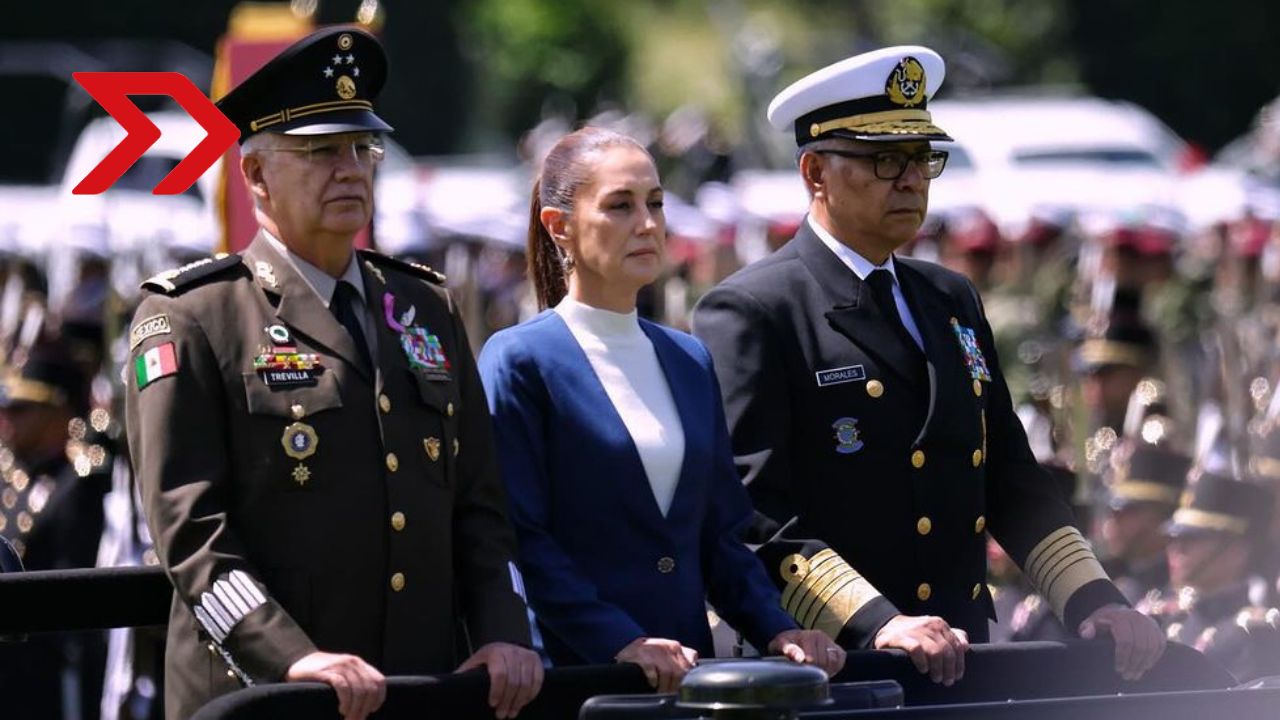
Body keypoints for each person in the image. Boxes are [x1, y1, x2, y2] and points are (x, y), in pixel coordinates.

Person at [691, 45, 1165, 686]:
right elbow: (754, 512)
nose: (912, 181)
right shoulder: (753, 308)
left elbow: (1009, 476)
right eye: (885, 160)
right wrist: (877, 622)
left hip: (964, 656)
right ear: (814, 173)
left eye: (922, 160)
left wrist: (1094, 600)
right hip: (833, 665)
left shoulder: (949, 297)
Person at [124, 27, 540, 720]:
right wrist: (288, 655)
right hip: (266, 696)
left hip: (418, 690)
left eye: (361, 148)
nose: (350, 169)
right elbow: (192, 535)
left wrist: (501, 632)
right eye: (319, 152)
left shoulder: (422, 305)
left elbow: (477, 507)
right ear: (255, 175)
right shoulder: (195, 317)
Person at [477, 127, 846, 693]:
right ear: (560, 227)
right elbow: (522, 538)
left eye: (654, 203)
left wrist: (778, 629)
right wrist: (618, 640)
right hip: (577, 678)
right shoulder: (520, 359)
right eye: (620, 206)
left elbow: (721, 533)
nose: (647, 224)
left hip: (687, 678)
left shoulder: (686, 356)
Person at [0, 339, 110, 720]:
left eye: (22, 409)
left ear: (59, 410)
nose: (7, 419)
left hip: (52, 663)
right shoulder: (11, 474)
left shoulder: (82, 481)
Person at [1144, 472, 1280, 682]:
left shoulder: (1254, 637)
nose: (1176, 548)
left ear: (1237, 552)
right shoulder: (1164, 619)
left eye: (1192, 539)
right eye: (1175, 538)